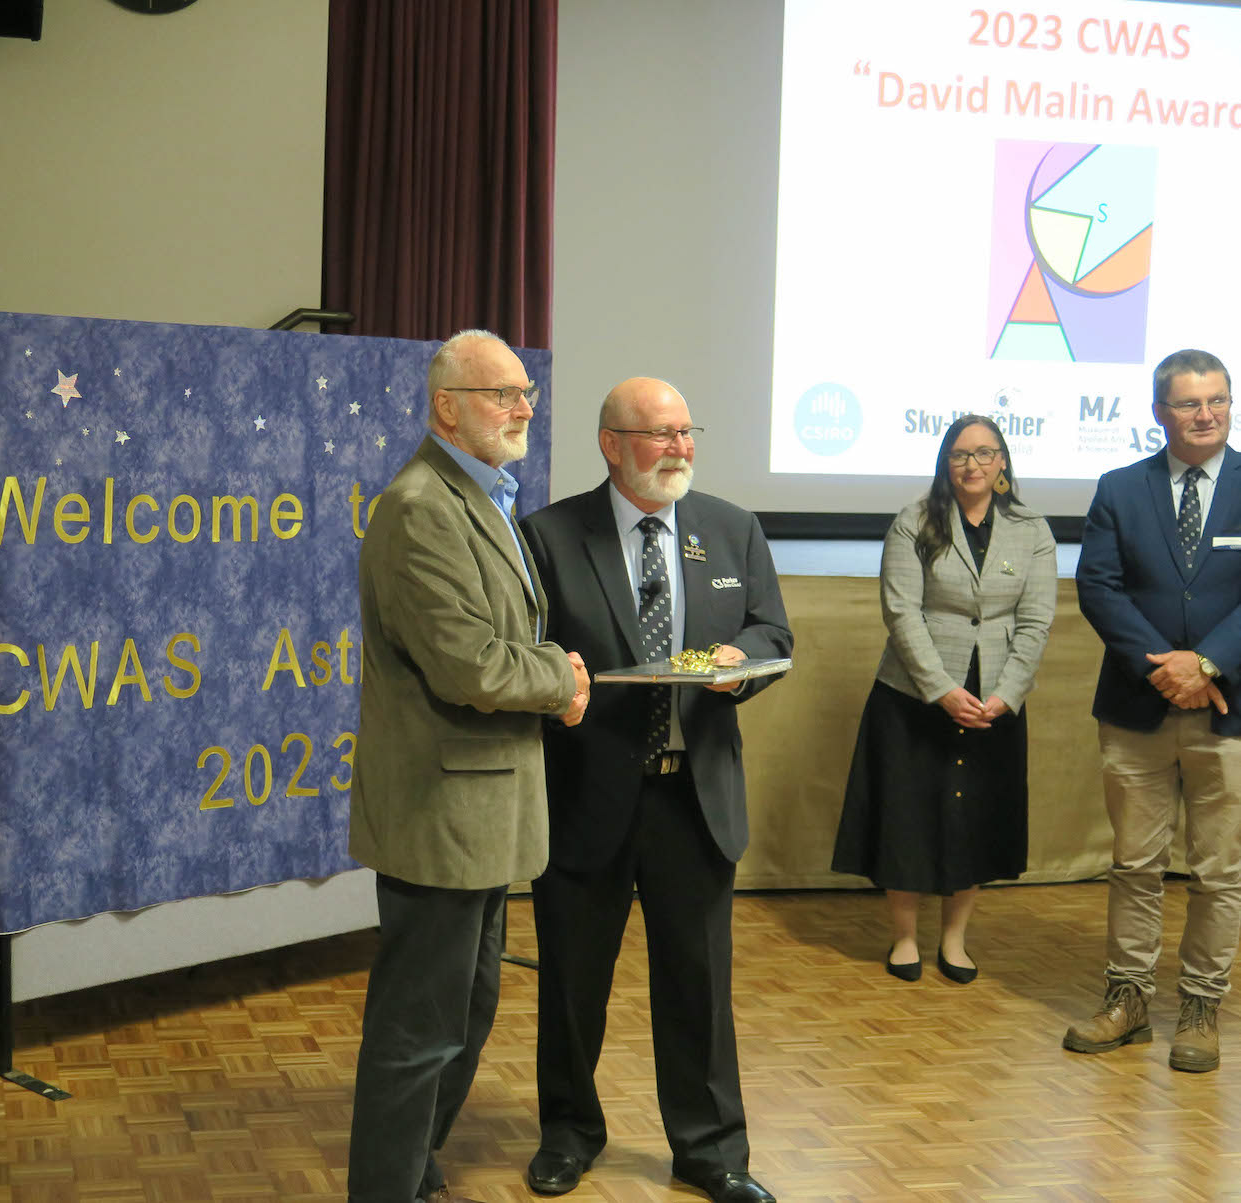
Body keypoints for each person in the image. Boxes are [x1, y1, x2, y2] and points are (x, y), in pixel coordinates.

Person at [519, 377, 792, 1203]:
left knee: (697, 983)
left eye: (685, 431)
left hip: (693, 795)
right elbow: (527, 646)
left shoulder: (730, 528)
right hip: (587, 795)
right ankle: (568, 1133)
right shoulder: (550, 534)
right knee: (572, 982)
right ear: (611, 443)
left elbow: (770, 630)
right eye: (660, 434)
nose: (680, 448)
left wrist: (742, 666)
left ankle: (710, 1151)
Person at [346, 329, 591, 1203]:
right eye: (503, 394)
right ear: (447, 406)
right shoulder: (421, 506)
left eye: (526, 391)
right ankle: (387, 1185)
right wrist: (559, 675)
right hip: (436, 814)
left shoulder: (483, 497)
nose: (525, 407)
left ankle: (412, 1169)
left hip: (482, 813)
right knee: (420, 1029)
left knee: (466, 1013)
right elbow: (470, 664)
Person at [831, 414, 1057, 982]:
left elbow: (1036, 621)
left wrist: (1006, 693)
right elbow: (900, 611)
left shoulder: (1032, 529)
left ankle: (955, 940)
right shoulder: (914, 521)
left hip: (995, 700)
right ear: (944, 462)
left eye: (984, 453)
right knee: (906, 813)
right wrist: (940, 690)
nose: (972, 465)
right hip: (913, 695)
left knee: (974, 817)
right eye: (960, 454)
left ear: (1002, 462)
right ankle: (904, 938)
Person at [1066, 348, 1241, 1074]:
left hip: (1229, 711)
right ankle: (1129, 999)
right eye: (1189, 404)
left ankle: (1200, 1007)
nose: (1205, 415)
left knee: (1219, 871)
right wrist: (1167, 667)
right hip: (1138, 708)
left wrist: (1206, 662)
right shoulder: (1119, 487)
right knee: (1135, 864)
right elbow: (1098, 587)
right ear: (1158, 412)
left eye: (1218, 401)